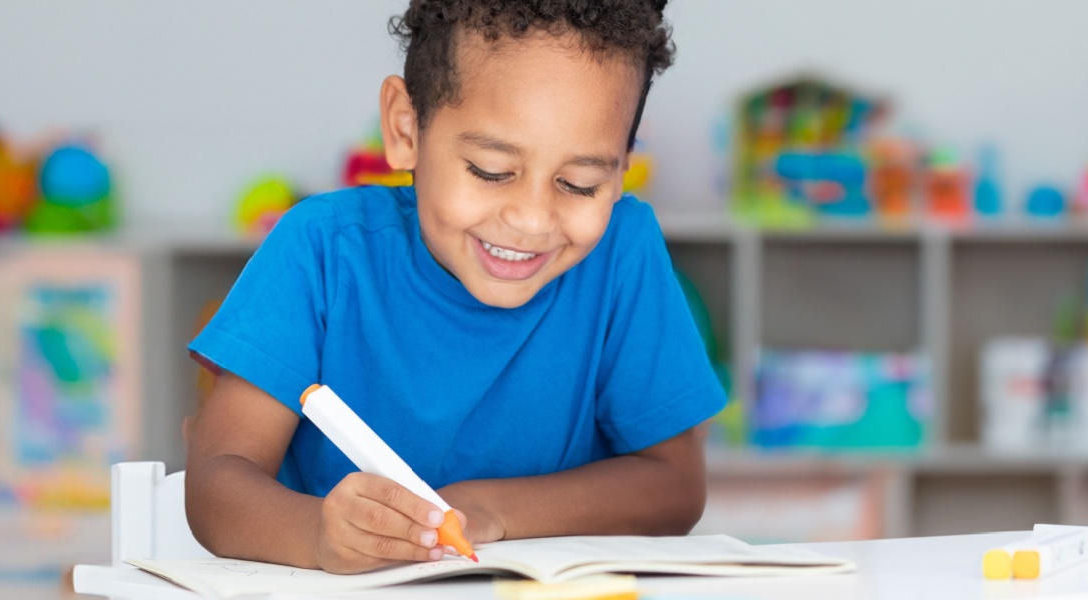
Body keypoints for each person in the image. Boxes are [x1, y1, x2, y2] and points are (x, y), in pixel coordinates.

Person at [184, 0, 725, 575]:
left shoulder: (622, 252)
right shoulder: (323, 249)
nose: (532, 219)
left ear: (621, 165)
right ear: (405, 128)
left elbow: (677, 486)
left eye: (580, 183)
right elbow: (216, 482)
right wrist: (316, 534)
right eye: (491, 171)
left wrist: (492, 508)